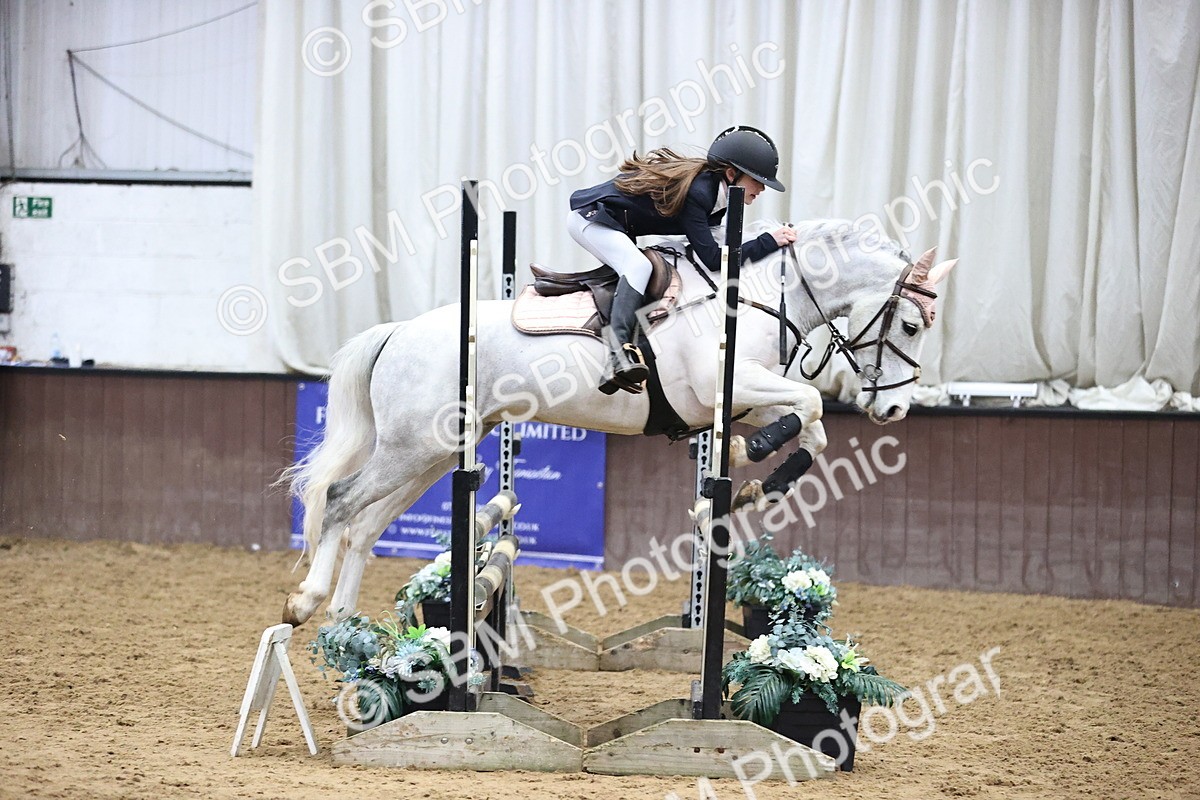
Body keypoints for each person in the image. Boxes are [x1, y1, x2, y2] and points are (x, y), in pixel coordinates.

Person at [567, 125, 797, 395]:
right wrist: (768, 241)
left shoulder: (717, 196)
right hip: (592, 220)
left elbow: (721, 245)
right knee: (638, 267)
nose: (762, 189)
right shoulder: (698, 194)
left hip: (617, 225)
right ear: (732, 174)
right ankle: (617, 357)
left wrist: (764, 242)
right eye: (757, 180)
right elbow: (713, 259)